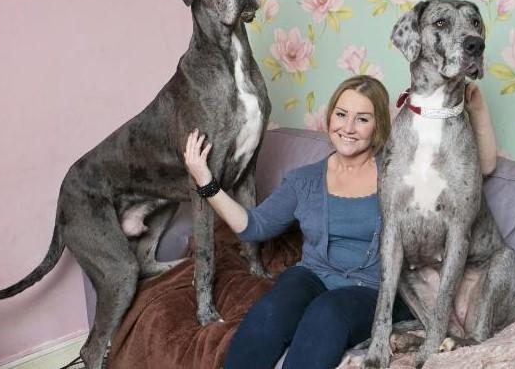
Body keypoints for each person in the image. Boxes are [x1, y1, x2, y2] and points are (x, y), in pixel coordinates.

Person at [183, 75, 498, 369]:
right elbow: (254, 226)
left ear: (378, 127)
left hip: (373, 289)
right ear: (329, 117)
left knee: (327, 312)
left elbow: (481, 167)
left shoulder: (401, 174)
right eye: (341, 114)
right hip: (312, 276)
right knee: (271, 311)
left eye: (363, 119)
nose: (349, 127)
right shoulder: (303, 181)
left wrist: (478, 109)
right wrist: (206, 182)